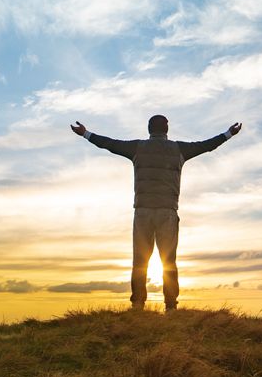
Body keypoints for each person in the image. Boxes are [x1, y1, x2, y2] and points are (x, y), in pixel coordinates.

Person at [71, 114, 242, 311]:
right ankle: (170, 306)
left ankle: (137, 304)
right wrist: (229, 133)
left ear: (149, 129)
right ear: (166, 129)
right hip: (167, 212)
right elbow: (207, 145)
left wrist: (85, 134)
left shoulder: (137, 147)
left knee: (140, 260)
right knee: (168, 260)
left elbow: (109, 143)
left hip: (143, 211)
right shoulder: (180, 149)